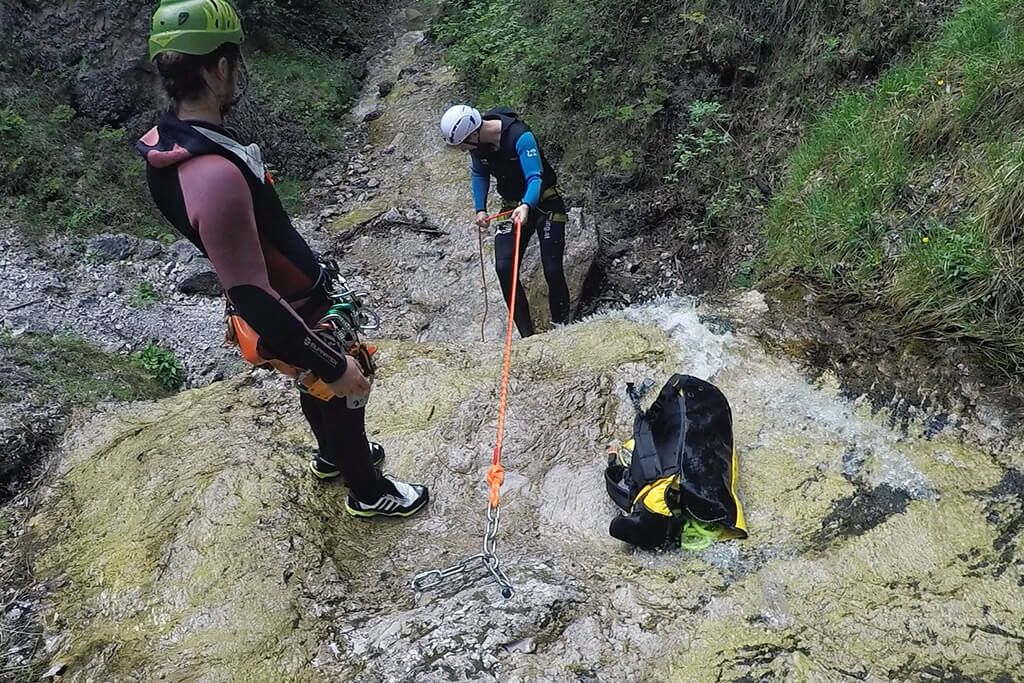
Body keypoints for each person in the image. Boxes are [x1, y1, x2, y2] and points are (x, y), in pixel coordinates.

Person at [137, 0, 428, 518]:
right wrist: (330, 362)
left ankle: (333, 455)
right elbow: (251, 291)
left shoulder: (174, 145)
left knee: (321, 387)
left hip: (287, 295)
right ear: (221, 67)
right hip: (287, 304)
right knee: (343, 385)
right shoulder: (212, 173)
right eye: (236, 63)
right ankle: (368, 491)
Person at [440, 104, 570, 338]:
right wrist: (480, 209)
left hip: (545, 204)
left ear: (472, 134)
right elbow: (478, 173)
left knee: (552, 269)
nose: (462, 150)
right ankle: (527, 337)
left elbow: (535, 178)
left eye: (462, 145)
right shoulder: (478, 147)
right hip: (512, 207)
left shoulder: (521, 137)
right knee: (504, 268)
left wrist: (526, 205)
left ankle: (561, 330)